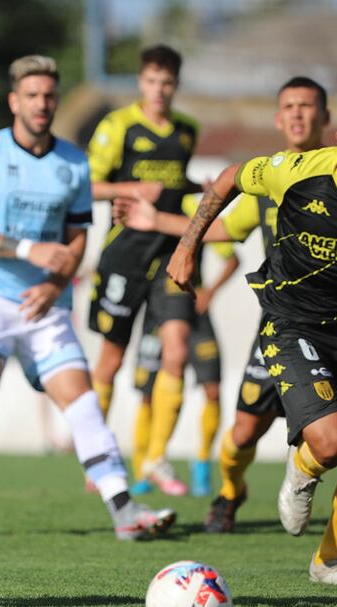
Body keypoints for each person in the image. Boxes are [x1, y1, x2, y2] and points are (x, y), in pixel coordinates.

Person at [116, 77, 337, 547]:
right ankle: (230, 494)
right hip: (286, 321)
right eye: (289, 107)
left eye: (308, 107)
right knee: (247, 427)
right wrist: (162, 226)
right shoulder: (280, 177)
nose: (298, 115)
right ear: (279, 118)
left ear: (324, 119)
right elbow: (223, 226)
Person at [0, 55, 176, 543]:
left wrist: (55, 285)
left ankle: (124, 510)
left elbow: (78, 235)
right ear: (14, 100)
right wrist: (26, 249)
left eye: (49, 96)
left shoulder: (72, 162)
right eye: (33, 96)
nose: (42, 104)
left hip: (46, 303)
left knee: (82, 401)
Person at [86, 45, 203, 495]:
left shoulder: (188, 131)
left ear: (176, 85)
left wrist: (199, 189)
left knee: (176, 350)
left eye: (168, 83)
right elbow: (87, 185)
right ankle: (96, 456)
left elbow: (176, 184)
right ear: (141, 82)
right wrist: (129, 188)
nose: (160, 90)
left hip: (171, 256)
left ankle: (154, 458)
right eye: (153, 81)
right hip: (125, 255)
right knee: (112, 360)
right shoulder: (119, 126)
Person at [127, 205, 240, 497]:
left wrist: (210, 291)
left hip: (194, 311)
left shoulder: (193, 208)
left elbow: (232, 258)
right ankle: (145, 467)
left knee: (213, 390)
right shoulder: (145, 209)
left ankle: (201, 461)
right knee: (148, 394)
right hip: (158, 312)